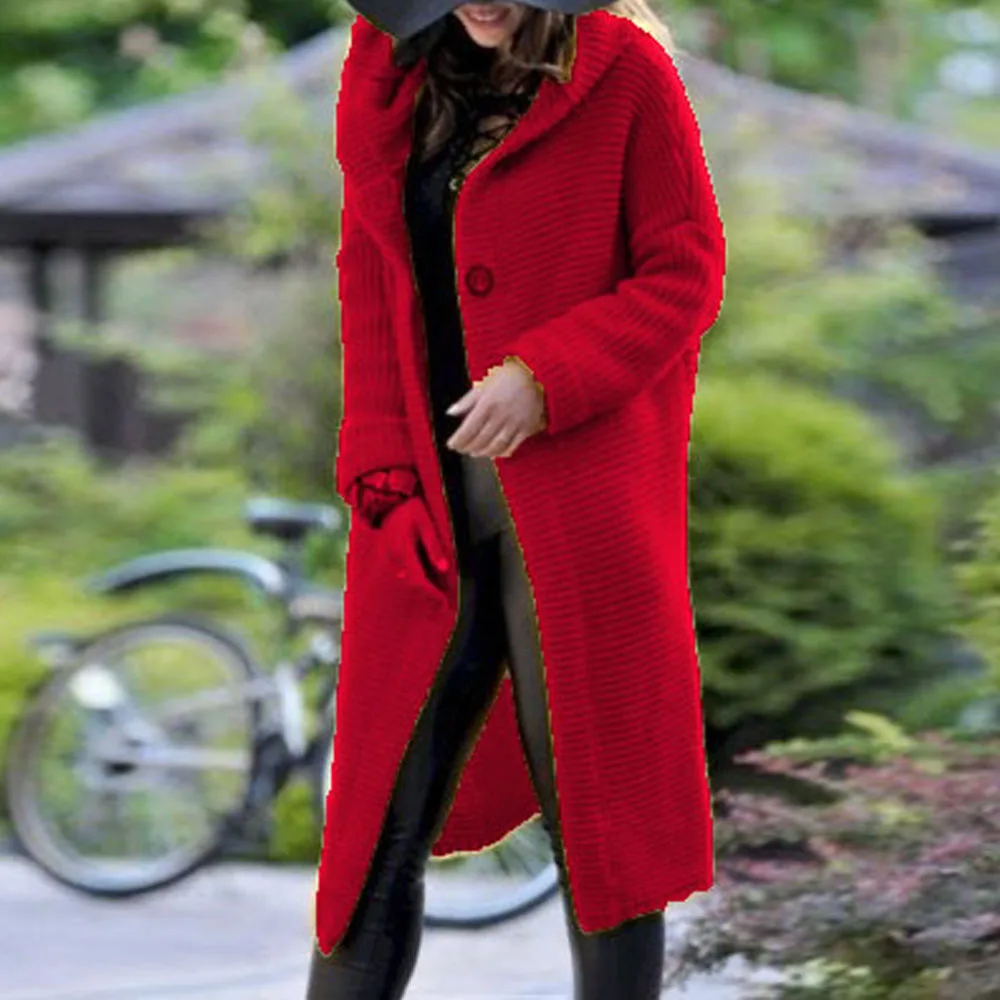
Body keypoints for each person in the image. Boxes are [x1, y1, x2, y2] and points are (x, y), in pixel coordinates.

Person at [308, 2, 727, 998]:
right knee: (374, 824)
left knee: (600, 819)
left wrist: (548, 374)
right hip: (424, 508)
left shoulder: (625, 72)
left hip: (580, 510)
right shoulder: (397, 81)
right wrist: (375, 459)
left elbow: (685, 270)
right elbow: (369, 275)